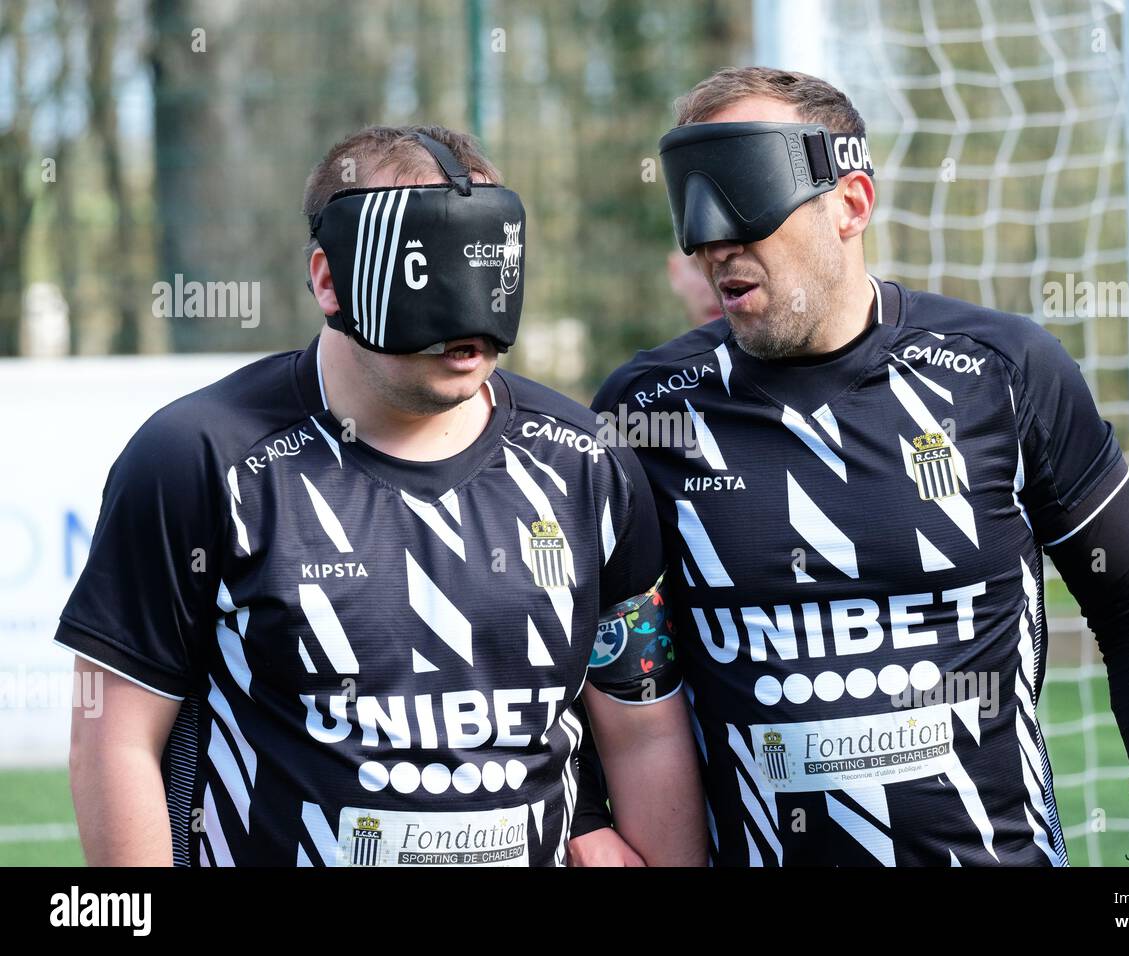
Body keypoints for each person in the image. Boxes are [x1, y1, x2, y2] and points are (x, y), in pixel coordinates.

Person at [592, 67, 1129, 866]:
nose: (715, 245)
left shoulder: (1004, 371)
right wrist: (584, 818)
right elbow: (586, 653)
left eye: (745, 202)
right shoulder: (648, 411)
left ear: (850, 205)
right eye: (696, 218)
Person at [58, 124, 704, 867]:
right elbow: (114, 736)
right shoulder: (200, 458)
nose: (468, 323)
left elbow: (644, 724)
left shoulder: (587, 463)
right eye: (427, 273)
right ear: (330, 280)